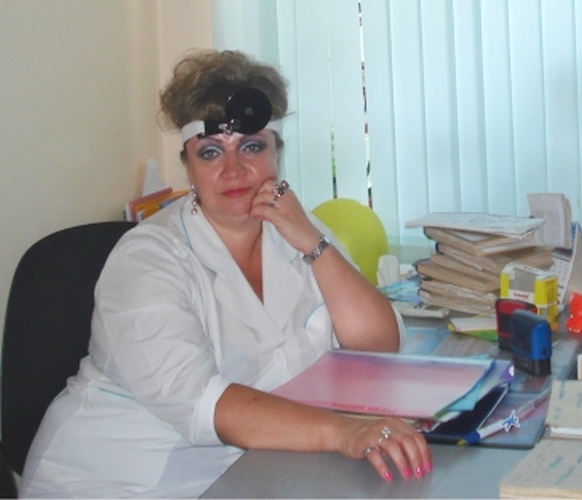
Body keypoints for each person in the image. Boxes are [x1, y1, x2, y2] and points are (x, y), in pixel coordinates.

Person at [21, 50, 431, 497]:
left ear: (277, 153)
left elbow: (377, 346)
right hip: (120, 481)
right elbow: (202, 402)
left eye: (252, 147)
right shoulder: (146, 260)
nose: (234, 170)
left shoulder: (295, 228)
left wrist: (314, 243)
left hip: (251, 472)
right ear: (188, 166)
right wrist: (344, 433)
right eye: (211, 152)